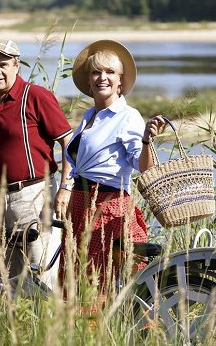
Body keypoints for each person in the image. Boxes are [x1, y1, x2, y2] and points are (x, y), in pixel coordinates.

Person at [0, 39, 73, 289]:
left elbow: (69, 144)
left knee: (42, 278)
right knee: (0, 280)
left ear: (16, 65)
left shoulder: (36, 97)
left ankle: (52, 326)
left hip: (35, 195)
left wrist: (65, 188)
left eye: (3, 65)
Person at [58, 39, 167, 296]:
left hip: (106, 204)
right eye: (96, 72)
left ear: (121, 81)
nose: (102, 78)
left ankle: (103, 331)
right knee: (75, 278)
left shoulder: (127, 116)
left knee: (94, 280)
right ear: (88, 81)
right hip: (80, 205)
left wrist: (147, 141)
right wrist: (64, 188)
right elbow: (74, 161)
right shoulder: (89, 115)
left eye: (110, 72)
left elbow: (142, 166)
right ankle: (80, 332)